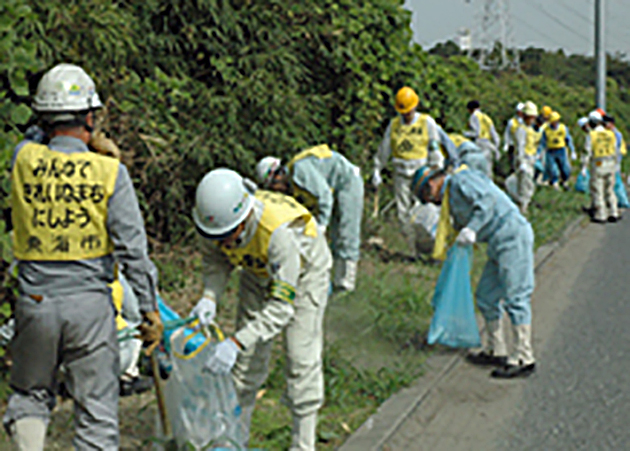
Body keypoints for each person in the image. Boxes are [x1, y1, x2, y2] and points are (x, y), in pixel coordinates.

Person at [4, 63, 161, 449]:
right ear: (91, 117)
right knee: (96, 414)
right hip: (91, 309)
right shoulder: (110, 173)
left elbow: (34, 137)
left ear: (44, 115)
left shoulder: (23, 159)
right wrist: (149, 309)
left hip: (36, 303)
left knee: (29, 396)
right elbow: (134, 252)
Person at [190, 168, 332, 450]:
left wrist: (235, 341)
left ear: (244, 218)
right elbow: (216, 263)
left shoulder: (279, 234)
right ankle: (234, 441)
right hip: (256, 272)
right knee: (244, 367)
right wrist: (209, 296)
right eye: (217, 236)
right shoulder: (214, 222)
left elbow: (281, 308)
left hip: (303, 275)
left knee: (300, 357)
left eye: (230, 235)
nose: (224, 242)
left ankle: (303, 444)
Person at [411, 164, 536, 379]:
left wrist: (472, 228)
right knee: (486, 296)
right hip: (497, 243)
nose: (431, 201)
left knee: (516, 297)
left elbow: (487, 202)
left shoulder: (461, 181)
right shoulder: (451, 200)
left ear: (432, 183)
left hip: (512, 235)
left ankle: (524, 356)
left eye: (427, 195)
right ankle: (496, 350)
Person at [255, 144, 363, 292]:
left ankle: (347, 283)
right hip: (335, 187)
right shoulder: (293, 184)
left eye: (273, 185)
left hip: (348, 181)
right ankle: (337, 281)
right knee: (335, 236)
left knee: (347, 231)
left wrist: (322, 226)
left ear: (277, 175)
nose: (275, 190)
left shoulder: (299, 171)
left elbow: (324, 197)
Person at [372, 86, 443, 256]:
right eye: (403, 112)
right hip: (401, 174)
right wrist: (377, 168)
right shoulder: (394, 125)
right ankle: (413, 251)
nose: (406, 114)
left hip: (422, 174)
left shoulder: (427, 123)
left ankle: (430, 246)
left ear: (415, 107)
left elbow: (434, 146)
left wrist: (437, 169)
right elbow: (385, 149)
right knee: (403, 214)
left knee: (421, 212)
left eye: (408, 111)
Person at [584, 111, 620, 223]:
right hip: (611, 163)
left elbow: (587, 152)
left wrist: (583, 167)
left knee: (598, 190)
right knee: (609, 189)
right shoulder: (610, 134)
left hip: (598, 164)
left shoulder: (591, 135)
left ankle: (601, 214)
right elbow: (616, 150)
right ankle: (614, 212)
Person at [514, 101, 542, 215]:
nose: (532, 120)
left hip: (531, 159)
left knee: (529, 185)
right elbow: (520, 146)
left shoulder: (531, 129)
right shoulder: (521, 129)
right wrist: (521, 162)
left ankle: (525, 205)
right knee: (524, 186)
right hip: (524, 159)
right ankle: (522, 208)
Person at [538, 111, 576, 189]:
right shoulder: (546, 130)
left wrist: (572, 150)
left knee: (565, 167)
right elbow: (543, 142)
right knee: (552, 168)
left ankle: (565, 181)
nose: (554, 123)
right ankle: (554, 182)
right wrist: (539, 152)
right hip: (551, 151)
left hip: (561, 150)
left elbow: (568, 139)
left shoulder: (563, 128)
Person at [464, 100, 500, 176]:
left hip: (479, 143)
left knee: (477, 167)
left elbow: (476, 133)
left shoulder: (473, 116)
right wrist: (496, 148)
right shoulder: (487, 118)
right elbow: (495, 136)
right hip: (488, 143)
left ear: (470, 109)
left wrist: (466, 134)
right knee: (488, 169)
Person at [503, 102, 524, 173]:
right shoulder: (511, 121)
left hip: (522, 146)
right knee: (513, 162)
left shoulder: (526, 122)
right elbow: (507, 133)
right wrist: (506, 143)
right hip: (513, 145)